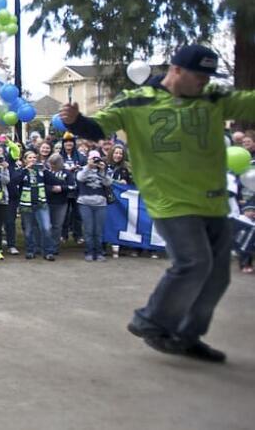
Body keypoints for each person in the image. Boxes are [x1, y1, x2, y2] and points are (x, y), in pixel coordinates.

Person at [61, 44, 255, 363]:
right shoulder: (137, 100)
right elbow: (99, 127)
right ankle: (151, 319)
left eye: (209, 78)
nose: (204, 83)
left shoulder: (213, 97)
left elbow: (249, 101)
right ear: (176, 70)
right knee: (194, 263)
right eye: (198, 77)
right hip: (170, 200)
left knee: (218, 275)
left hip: (213, 200)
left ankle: (186, 336)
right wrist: (75, 121)